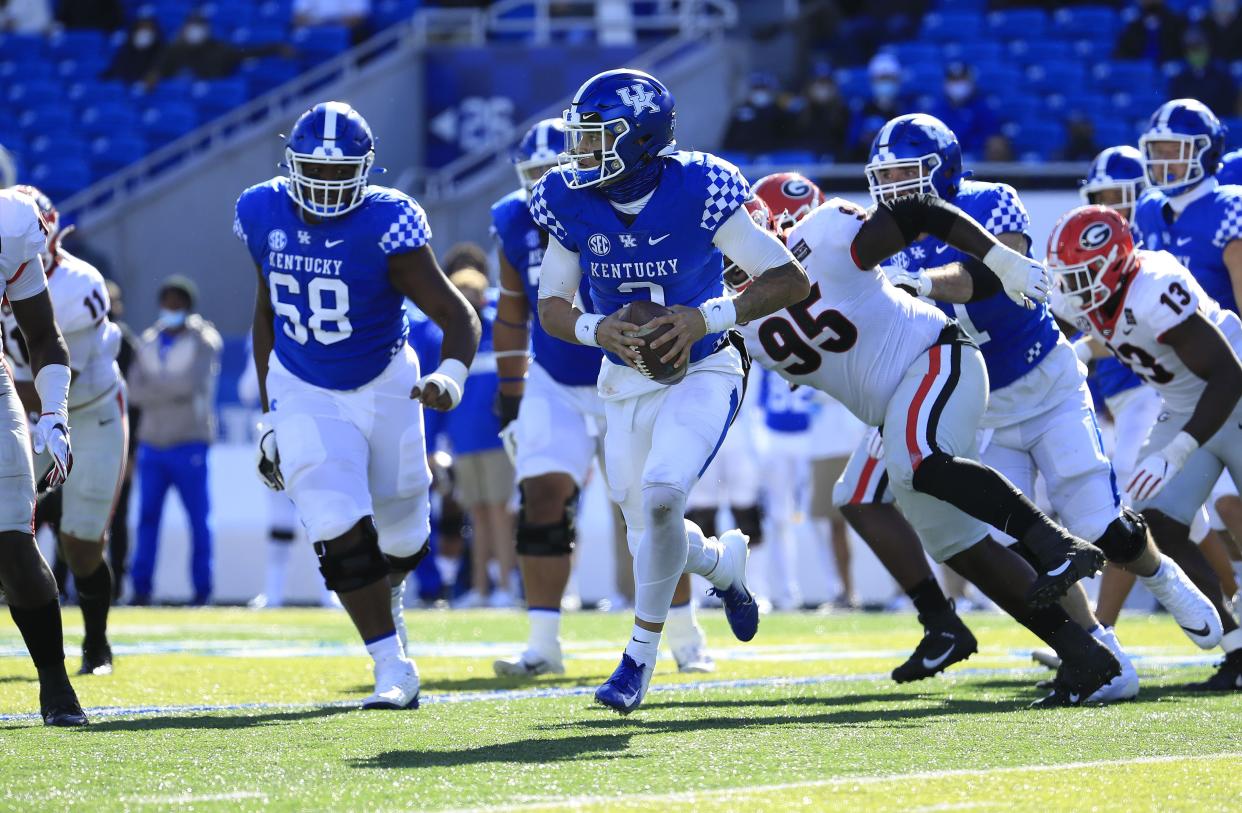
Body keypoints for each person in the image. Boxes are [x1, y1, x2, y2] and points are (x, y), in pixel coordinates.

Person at [733, 180, 1130, 706]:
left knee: (921, 460)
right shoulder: (731, 320)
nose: (736, 259)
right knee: (961, 548)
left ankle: (1056, 545)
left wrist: (1000, 260)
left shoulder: (825, 233)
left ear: (775, 227)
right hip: (895, 409)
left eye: (745, 240)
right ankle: (1085, 658)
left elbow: (917, 209)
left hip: (937, 357)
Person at [874, 115, 1219, 701]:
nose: (897, 189)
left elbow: (991, 275)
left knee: (1096, 524)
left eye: (909, 174)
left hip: (1047, 384)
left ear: (945, 170)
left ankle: (1164, 578)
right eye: (887, 177)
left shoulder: (992, 201)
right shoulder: (885, 232)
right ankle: (1102, 656)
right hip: (982, 407)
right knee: (1018, 543)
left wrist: (920, 283)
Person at [532, 68, 811, 714]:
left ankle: (637, 658)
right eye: (580, 138)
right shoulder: (568, 198)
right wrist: (596, 328)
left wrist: (704, 317)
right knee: (647, 531)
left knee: (662, 497)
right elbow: (551, 303)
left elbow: (787, 278)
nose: (580, 152)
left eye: (597, 138)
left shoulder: (700, 187)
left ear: (641, 140)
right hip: (625, 378)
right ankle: (721, 565)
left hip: (705, 366)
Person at [237, 101, 480, 710]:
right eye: (311, 173)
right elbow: (266, 311)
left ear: (365, 170)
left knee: (403, 529)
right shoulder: (259, 208)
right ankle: (390, 664)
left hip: (385, 382)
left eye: (336, 175)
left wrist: (450, 375)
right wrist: (272, 413)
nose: (322, 188)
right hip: (304, 385)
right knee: (331, 515)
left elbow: (456, 314)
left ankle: (391, 597)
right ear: (289, 164)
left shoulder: (389, 221)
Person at [490, 119, 712, 678]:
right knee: (542, 502)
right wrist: (512, 395)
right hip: (556, 379)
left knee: (649, 510)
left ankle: (685, 635)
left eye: (554, 170)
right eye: (534, 175)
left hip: (633, 374)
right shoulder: (515, 218)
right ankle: (543, 642)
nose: (547, 183)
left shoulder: (620, 206)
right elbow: (514, 309)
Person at [748, 170, 977, 683]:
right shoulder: (761, 302)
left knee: (938, 490)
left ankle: (1049, 578)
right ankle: (942, 620)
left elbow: (915, 224)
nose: (780, 237)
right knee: (859, 497)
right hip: (883, 400)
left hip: (928, 370)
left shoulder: (833, 233)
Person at [1047, 205, 1242, 691]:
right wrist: (1078, 351)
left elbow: (1226, 374)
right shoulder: (1097, 293)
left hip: (1232, 393)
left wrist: (1176, 451)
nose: (1074, 287)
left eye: (1084, 274)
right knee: (1152, 526)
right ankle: (1237, 645)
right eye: (1067, 276)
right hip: (1183, 403)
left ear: (1115, 263)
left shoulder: (1155, 286)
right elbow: (1098, 327)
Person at [2, 187, 127, 677]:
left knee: (79, 544)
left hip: (88, 410)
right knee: (9, 539)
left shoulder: (77, 283)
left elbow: (54, 361)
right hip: (18, 404)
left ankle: (96, 642)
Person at [0, 187, 85, 726]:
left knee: (11, 540)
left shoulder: (10, 225)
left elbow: (42, 334)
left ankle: (55, 687)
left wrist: (53, 412)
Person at [127, 276, 222, 606]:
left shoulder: (203, 340)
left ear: (187, 306)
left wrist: (157, 388)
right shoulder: (149, 340)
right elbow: (134, 392)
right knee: (147, 520)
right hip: (152, 442)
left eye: (177, 303)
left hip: (189, 441)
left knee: (198, 520)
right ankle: (141, 589)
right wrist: (165, 389)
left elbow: (190, 386)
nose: (171, 308)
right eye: (166, 302)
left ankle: (202, 590)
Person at [442, 266, 518, 608]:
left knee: (501, 514)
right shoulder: (451, 337)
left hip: (498, 440)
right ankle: (479, 588)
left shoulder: (499, 330)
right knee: (477, 515)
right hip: (465, 440)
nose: (470, 304)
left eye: (475, 296)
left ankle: (505, 586)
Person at [929, 63, 1008, 163]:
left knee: (997, 145)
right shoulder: (938, 108)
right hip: (944, 158)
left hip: (979, 158)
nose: (958, 85)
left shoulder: (981, 106)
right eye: (953, 80)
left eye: (962, 80)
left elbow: (992, 135)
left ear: (970, 81)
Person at [845, 53, 908, 162]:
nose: (885, 83)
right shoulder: (862, 111)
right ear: (872, 81)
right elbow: (852, 143)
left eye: (889, 78)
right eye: (881, 79)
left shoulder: (906, 110)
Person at [1168, 29, 1238, 120]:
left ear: (1208, 47)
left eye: (1199, 46)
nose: (1196, 52)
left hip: (1217, 123)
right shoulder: (1179, 78)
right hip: (1188, 127)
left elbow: (1229, 106)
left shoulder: (1223, 75)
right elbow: (1175, 107)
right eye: (1192, 48)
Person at [1114, 0, 1188, 63]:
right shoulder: (1134, 23)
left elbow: (1184, 53)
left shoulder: (1176, 21)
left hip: (1166, 69)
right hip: (1140, 72)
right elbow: (1121, 54)